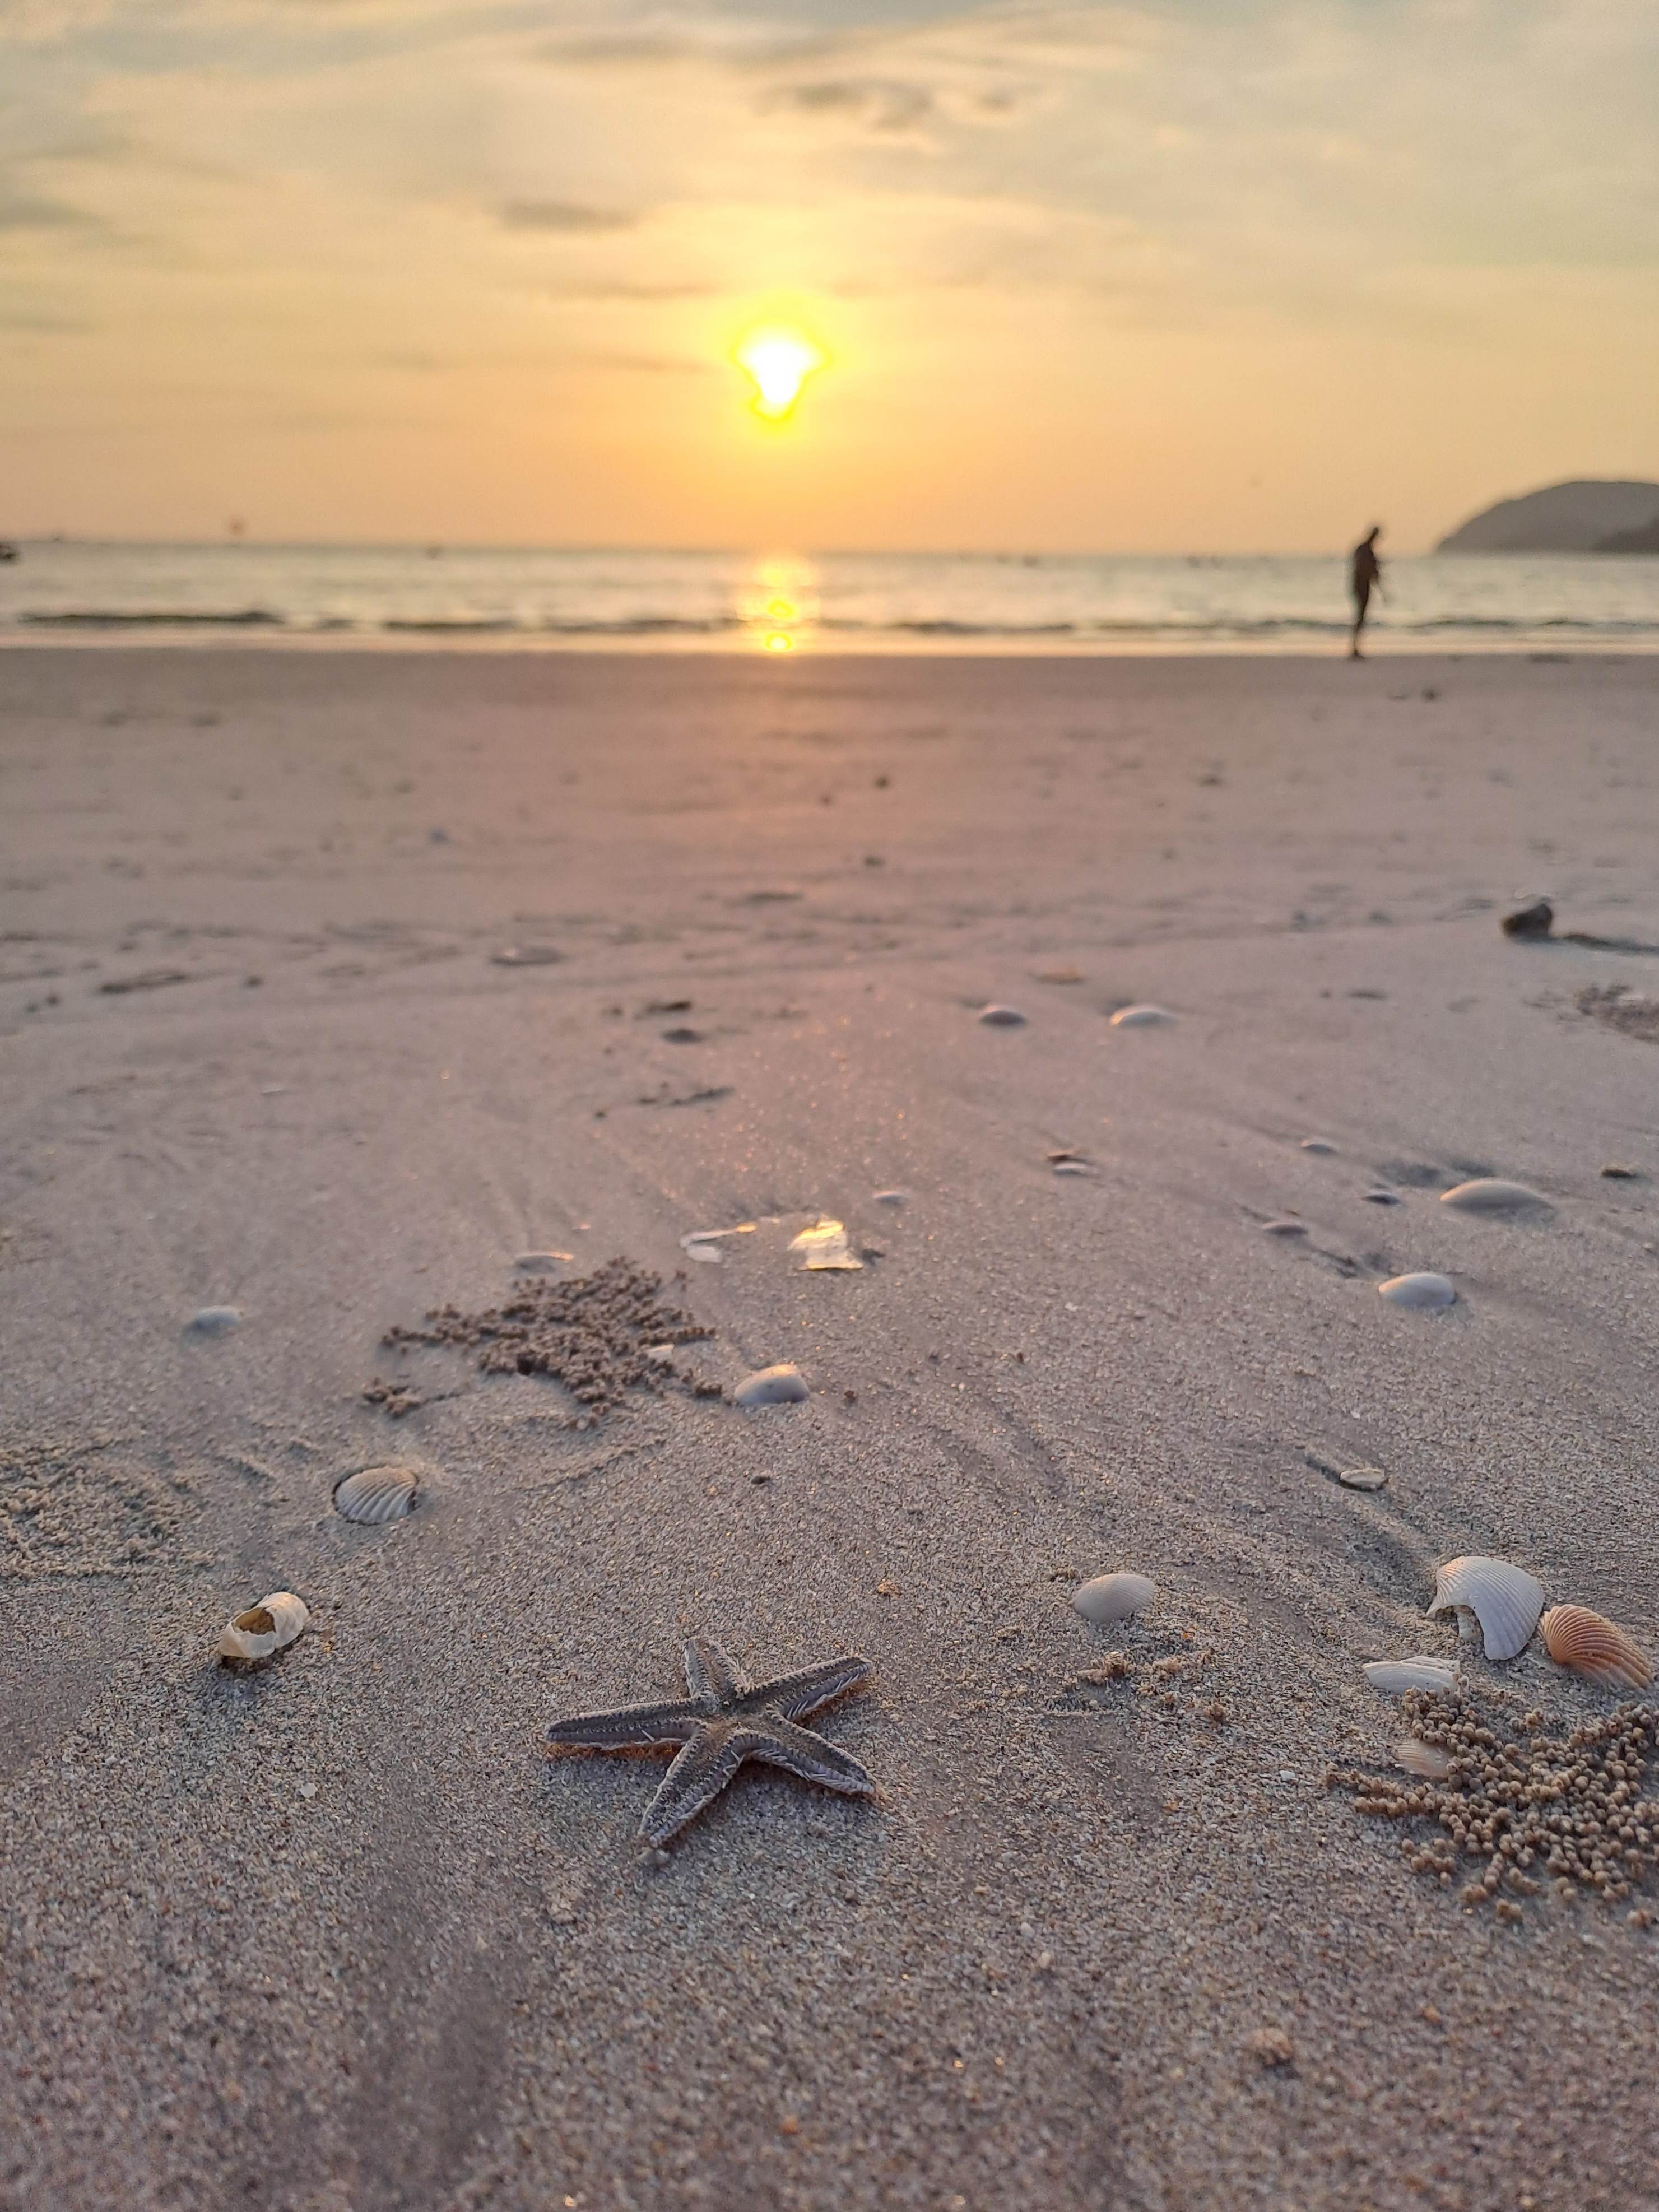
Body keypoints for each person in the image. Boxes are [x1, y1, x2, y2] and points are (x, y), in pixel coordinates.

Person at [1349, 525, 1382, 658]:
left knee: (1361, 617)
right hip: (1361, 586)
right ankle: (1355, 647)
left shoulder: (1366, 551)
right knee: (1360, 616)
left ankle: (1356, 646)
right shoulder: (1365, 551)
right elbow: (1367, 570)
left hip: (1362, 586)